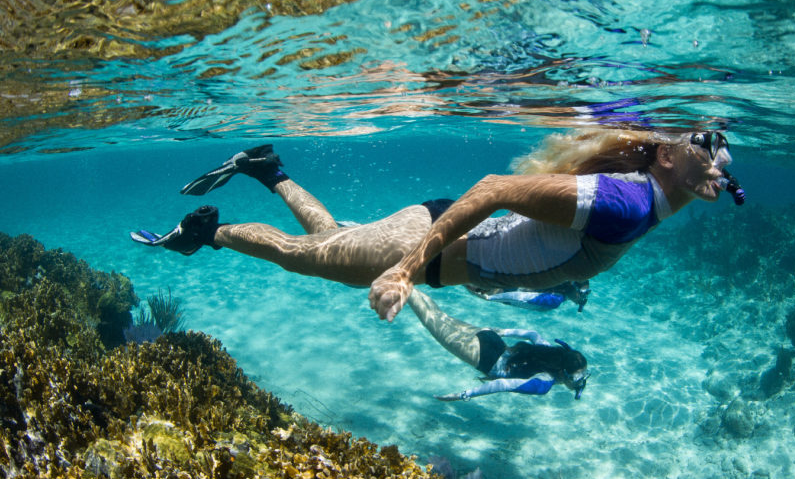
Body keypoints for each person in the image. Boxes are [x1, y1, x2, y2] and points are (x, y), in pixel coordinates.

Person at [131, 127, 744, 321]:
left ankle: (268, 171)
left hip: (435, 239)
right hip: (424, 250)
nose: (719, 158)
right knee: (302, 254)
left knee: (331, 239)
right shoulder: (627, 203)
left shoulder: (643, 203)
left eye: (725, 154)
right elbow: (494, 190)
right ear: (667, 155)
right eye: (707, 144)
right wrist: (403, 269)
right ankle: (204, 234)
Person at [405, 288, 589, 400]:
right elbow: (502, 384)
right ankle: (398, 283)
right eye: (579, 378)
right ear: (563, 373)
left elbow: (533, 334)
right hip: (483, 356)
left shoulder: (550, 354)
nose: (581, 383)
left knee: (438, 316)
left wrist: (503, 332)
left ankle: (404, 280)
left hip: (492, 339)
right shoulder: (544, 383)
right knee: (431, 320)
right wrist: (464, 395)